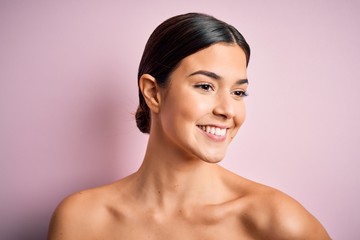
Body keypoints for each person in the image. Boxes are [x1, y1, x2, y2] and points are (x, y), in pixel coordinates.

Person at [48, 12, 331, 239]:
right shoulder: (81, 219)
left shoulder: (278, 221)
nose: (227, 110)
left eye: (238, 92)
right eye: (206, 86)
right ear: (153, 93)